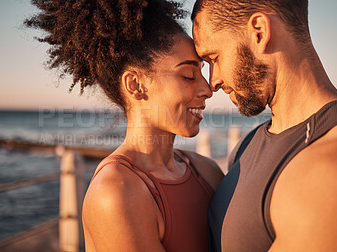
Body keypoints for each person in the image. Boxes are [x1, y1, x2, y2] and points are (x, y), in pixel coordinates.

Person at [26, 0, 224, 251]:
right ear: (135, 85)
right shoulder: (116, 193)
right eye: (188, 76)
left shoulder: (206, 171)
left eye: (202, 73)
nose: (207, 89)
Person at [191, 0, 337, 251]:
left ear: (259, 32)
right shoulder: (248, 145)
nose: (213, 82)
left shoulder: (336, 170)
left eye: (214, 57)